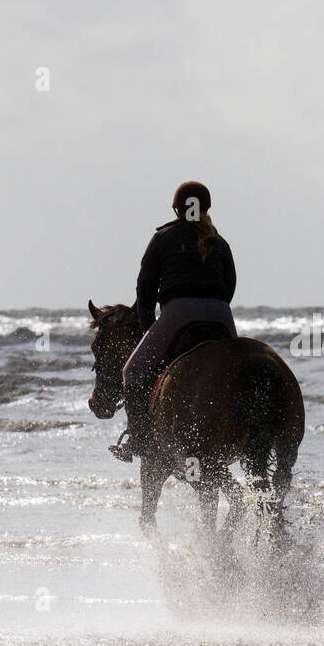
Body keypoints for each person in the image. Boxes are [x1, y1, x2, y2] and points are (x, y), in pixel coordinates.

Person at [120, 181, 237, 457]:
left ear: (176, 208)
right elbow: (230, 285)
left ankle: (139, 439)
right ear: (206, 208)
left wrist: (148, 326)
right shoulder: (220, 242)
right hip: (221, 312)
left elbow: (145, 286)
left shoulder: (164, 237)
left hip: (179, 312)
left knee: (132, 372)